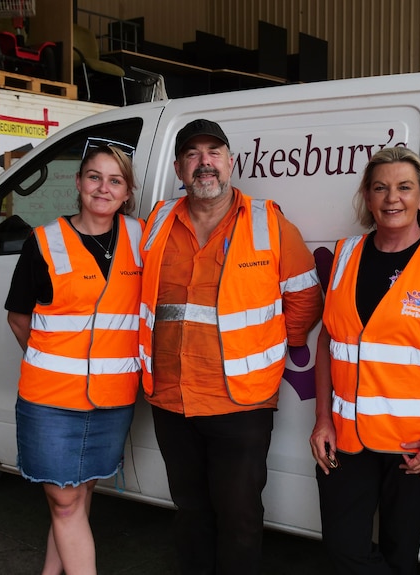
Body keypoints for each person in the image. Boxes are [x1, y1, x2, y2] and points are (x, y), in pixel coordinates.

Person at [138, 118, 323, 575]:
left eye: (214, 153)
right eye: (194, 155)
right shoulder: (157, 222)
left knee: (239, 517)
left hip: (241, 402)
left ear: (230, 163)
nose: (205, 164)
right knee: (190, 511)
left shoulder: (269, 223)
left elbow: (305, 297)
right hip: (172, 397)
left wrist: (273, 346)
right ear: (180, 169)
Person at [309, 146, 420, 575]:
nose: (391, 198)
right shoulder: (345, 254)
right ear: (366, 195)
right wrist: (322, 418)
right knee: (345, 549)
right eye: (379, 187)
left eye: (403, 187)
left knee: (401, 552)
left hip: (415, 443)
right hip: (346, 437)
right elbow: (328, 342)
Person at [5, 144, 143, 575]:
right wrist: (51, 360)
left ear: (127, 192)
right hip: (49, 399)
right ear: (79, 183)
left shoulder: (142, 239)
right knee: (65, 501)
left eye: (115, 180)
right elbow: (18, 318)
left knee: (76, 496)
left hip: (112, 400)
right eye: (94, 177)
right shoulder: (44, 241)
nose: (103, 188)